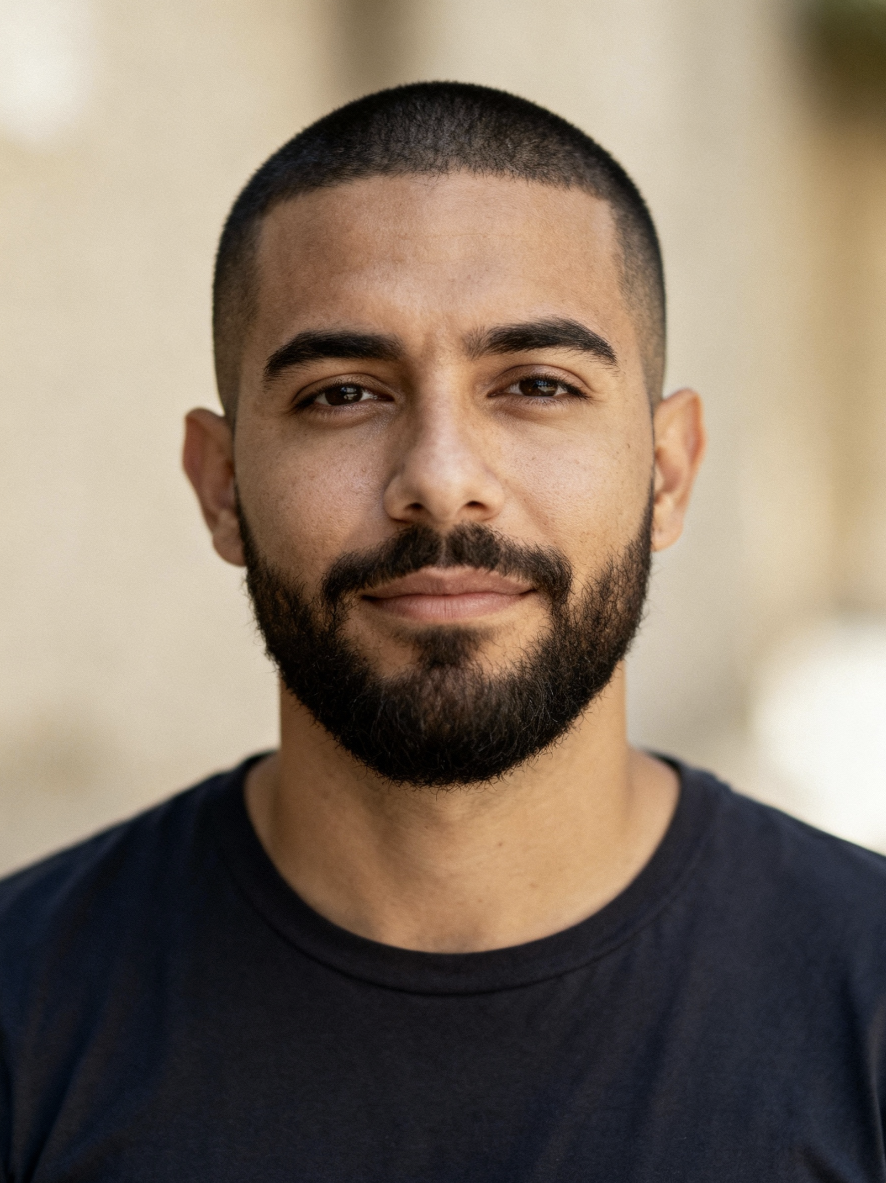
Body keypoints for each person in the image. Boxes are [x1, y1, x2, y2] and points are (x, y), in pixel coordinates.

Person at [1, 82, 885, 1183]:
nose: (441, 480)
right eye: (341, 395)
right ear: (222, 486)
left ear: (666, 472)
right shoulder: (23, 1012)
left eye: (536, 384)